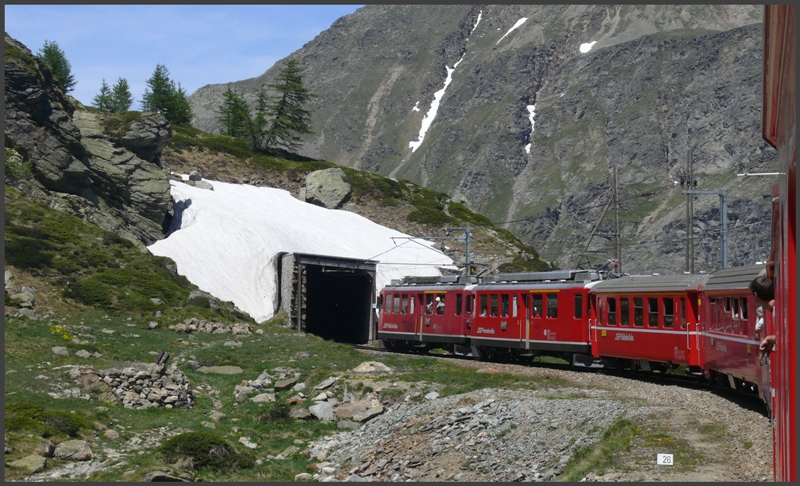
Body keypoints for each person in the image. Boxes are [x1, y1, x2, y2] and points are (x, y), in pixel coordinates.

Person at [749, 275, 775, 355]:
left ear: (755, 295)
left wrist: (768, 339)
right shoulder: (775, 308)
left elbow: (788, 338)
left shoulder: (777, 311)